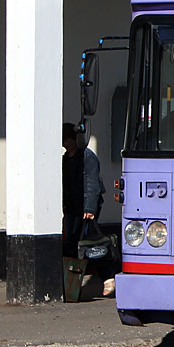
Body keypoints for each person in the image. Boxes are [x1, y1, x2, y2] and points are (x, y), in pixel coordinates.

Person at [62, 123, 115, 297]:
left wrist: (90, 207)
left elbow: (92, 182)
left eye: (66, 139)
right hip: (71, 208)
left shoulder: (86, 156)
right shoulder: (66, 158)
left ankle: (108, 277)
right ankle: (72, 285)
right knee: (72, 244)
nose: (64, 143)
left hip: (85, 206)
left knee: (90, 244)